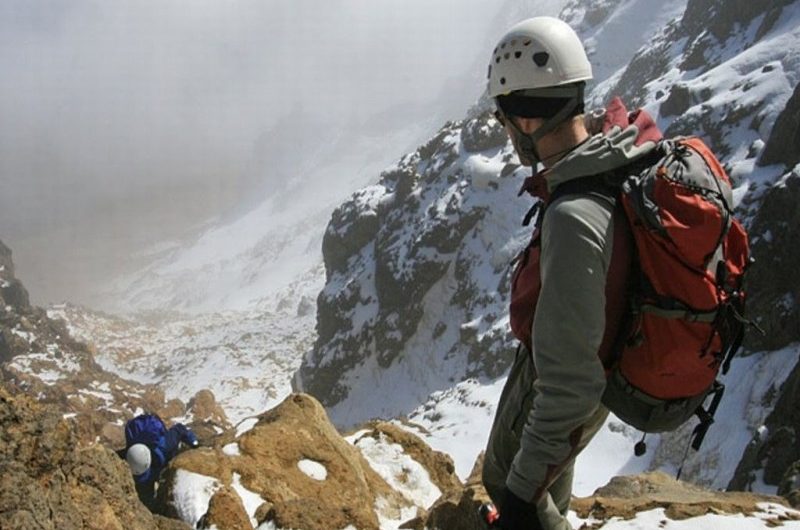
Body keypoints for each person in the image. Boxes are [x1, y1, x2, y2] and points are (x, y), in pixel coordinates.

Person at [481, 17, 664, 530]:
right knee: (546, 482)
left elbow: (567, 384)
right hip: (605, 356)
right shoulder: (614, 155)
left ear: (527, 119)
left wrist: (519, 495)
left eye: (505, 118)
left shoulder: (573, 212)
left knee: (511, 483)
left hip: (565, 373)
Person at [122, 413, 199, 508]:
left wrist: (194, 442)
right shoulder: (130, 455)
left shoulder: (165, 445)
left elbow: (180, 429)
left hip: (160, 462)